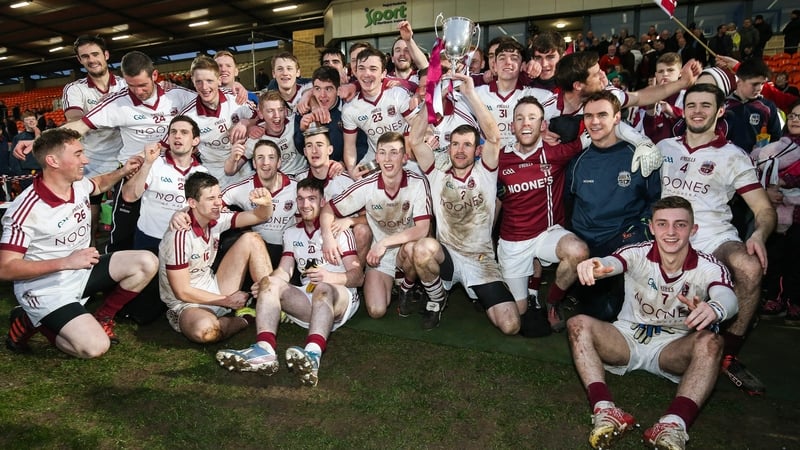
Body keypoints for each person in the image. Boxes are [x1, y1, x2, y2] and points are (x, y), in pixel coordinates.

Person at [569, 196, 738, 450]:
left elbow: (729, 298)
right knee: (577, 324)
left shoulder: (708, 265)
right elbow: (614, 262)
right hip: (627, 338)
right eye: (662, 224)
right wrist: (598, 265)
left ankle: (673, 425)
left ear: (693, 230)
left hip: (673, 346)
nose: (670, 232)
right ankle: (605, 410)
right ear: (651, 227)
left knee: (712, 342)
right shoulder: (637, 252)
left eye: (680, 225)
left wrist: (714, 308)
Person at [658, 83, 777, 396]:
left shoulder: (732, 156)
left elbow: (763, 208)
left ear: (720, 110)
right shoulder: (663, 148)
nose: (697, 111)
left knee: (750, 268)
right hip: (667, 236)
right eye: (692, 105)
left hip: (713, 237)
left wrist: (759, 234)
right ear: (683, 110)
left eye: (705, 105)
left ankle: (729, 353)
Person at [1, 128, 157, 357]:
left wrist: (123, 171)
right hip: (46, 288)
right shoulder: (26, 210)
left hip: (81, 270)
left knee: (147, 262)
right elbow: (6, 268)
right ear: (53, 161)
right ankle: (29, 320)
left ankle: (103, 317)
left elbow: (99, 183)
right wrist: (66, 262)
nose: (86, 159)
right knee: (95, 348)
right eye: (78, 154)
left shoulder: (77, 184)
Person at [215, 177, 364, 386]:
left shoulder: (339, 233)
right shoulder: (292, 233)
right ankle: (264, 351)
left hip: (341, 298)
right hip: (309, 299)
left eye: (312, 199)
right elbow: (284, 271)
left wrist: (330, 277)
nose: (305, 204)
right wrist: (266, 285)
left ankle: (312, 355)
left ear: (322, 202)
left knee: (322, 287)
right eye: (301, 199)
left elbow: (357, 277)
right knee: (270, 282)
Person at [406, 72, 520, 333]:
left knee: (511, 325)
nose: (459, 150)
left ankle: (477, 292)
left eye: (467, 145)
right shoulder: (437, 170)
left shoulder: (486, 171)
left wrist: (469, 93)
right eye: (455, 144)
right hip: (447, 256)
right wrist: (433, 99)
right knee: (422, 249)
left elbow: (494, 137)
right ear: (449, 147)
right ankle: (437, 299)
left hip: (480, 259)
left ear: (476, 150)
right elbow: (414, 140)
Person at [496, 96, 589, 332]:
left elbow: (598, 125)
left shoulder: (556, 152)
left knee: (578, 251)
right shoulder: (498, 157)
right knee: (517, 317)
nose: (526, 123)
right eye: (520, 118)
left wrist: (641, 141)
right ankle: (523, 291)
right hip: (513, 241)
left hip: (548, 233)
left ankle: (553, 302)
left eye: (532, 118)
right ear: (512, 126)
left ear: (543, 125)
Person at [566, 91, 662, 319]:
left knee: (628, 314)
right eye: (589, 116)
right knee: (595, 316)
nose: (595, 121)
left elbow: (655, 200)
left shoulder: (637, 155)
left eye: (602, 115)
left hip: (626, 242)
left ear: (617, 118)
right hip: (588, 245)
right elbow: (568, 203)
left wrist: (642, 231)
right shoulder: (579, 160)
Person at [321, 131, 433, 326]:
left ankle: (406, 285)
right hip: (381, 254)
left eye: (394, 152)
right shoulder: (367, 185)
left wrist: (383, 243)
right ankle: (398, 280)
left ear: (404, 157)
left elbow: (423, 229)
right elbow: (328, 208)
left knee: (412, 249)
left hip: (406, 245)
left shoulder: (417, 182)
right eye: (383, 152)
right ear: (377, 157)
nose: (388, 159)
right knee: (376, 310)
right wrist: (328, 238)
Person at [159, 172, 272, 344]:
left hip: (214, 287)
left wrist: (266, 204)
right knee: (206, 332)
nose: (218, 203)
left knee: (252, 239)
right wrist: (226, 301)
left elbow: (260, 216)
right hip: (187, 303)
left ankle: (270, 305)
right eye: (211, 198)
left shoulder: (217, 219)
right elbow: (182, 291)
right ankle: (244, 320)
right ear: (192, 203)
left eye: (219, 196)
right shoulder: (179, 236)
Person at [62, 35, 126, 245]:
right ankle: (88, 254)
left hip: (124, 158)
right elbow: (74, 121)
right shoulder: (75, 89)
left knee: (126, 210)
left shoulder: (126, 86)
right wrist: (105, 109)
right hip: (91, 160)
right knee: (89, 214)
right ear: (80, 61)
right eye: (85, 56)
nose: (91, 59)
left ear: (106, 55)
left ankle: (122, 253)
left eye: (95, 54)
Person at [122, 116, 208, 252]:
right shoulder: (154, 163)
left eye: (184, 132)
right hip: (149, 240)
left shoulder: (203, 173)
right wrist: (147, 164)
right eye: (173, 132)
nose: (177, 136)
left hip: (182, 240)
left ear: (195, 140)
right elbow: (128, 196)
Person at [751, 99, 800, 323]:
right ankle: (775, 297)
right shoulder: (773, 148)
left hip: (797, 215)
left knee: (796, 260)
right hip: (776, 211)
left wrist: (783, 181)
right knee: (775, 256)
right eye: (792, 116)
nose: (795, 120)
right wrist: (769, 188)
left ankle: (795, 302)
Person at [175, 55, 256, 186]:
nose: (204, 87)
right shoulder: (188, 116)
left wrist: (245, 122)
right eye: (199, 81)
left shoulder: (236, 98)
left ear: (219, 80)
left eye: (209, 81)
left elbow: (260, 118)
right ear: (193, 81)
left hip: (244, 168)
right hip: (214, 175)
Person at [341, 47, 417, 178]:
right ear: (355, 71)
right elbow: (349, 147)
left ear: (383, 74)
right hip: (375, 159)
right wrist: (352, 169)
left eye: (373, 69)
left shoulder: (397, 94)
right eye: (362, 68)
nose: (366, 74)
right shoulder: (350, 108)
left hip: (406, 156)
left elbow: (417, 124)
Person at [221, 139, 297, 270]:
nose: (265, 163)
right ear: (254, 164)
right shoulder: (243, 188)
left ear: (279, 163)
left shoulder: (295, 187)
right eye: (260, 158)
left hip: (289, 252)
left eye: (271, 157)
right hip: (258, 251)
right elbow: (214, 202)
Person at [293, 66, 369, 164]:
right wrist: (302, 130)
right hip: (316, 171)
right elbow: (300, 148)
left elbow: (362, 144)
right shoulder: (305, 110)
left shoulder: (350, 109)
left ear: (338, 90)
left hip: (345, 170)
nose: (322, 95)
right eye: (318, 89)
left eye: (328, 89)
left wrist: (344, 164)